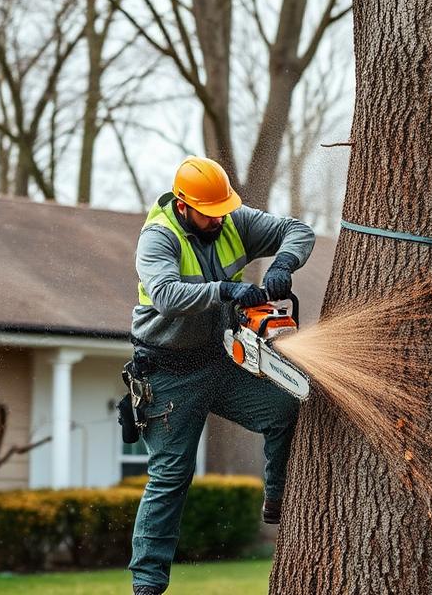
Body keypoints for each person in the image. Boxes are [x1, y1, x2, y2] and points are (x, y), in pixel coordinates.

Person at [128, 156, 315, 595]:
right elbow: (167, 294)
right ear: (182, 204)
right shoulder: (158, 238)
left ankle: (277, 497)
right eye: (208, 214)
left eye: (222, 211)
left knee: (285, 406)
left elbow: (297, 230)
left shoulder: (232, 219)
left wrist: (283, 264)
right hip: (168, 372)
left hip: (221, 361)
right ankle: (147, 584)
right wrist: (227, 290)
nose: (218, 220)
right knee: (171, 476)